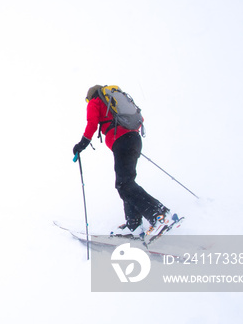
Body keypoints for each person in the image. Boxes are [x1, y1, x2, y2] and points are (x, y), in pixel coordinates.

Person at [72, 85, 179, 238]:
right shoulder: (116, 100)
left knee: (124, 185)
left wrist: (81, 145)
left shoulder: (95, 102)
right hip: (134, 139)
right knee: (126, 183)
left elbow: (92, 124)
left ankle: (160, 215)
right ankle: (133, 225)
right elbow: (139, 119)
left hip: (121, 141)